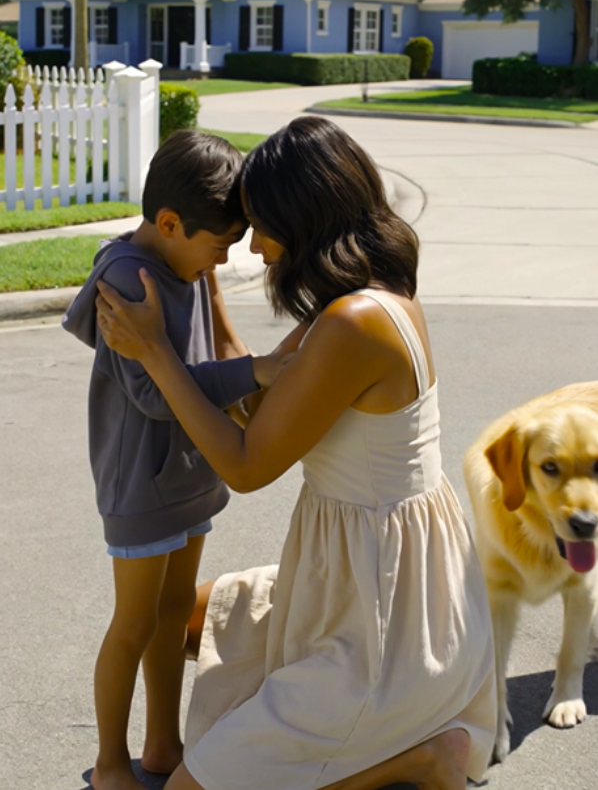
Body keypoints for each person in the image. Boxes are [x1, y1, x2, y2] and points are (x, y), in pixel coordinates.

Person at [95, 116, 497, 790]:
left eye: (259, 226)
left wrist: (155, 353)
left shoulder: (354, 324)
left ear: (299, 219)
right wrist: (205, 287)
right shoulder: (360, 297)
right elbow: (258, 400)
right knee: (184, 620)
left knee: (193, 787)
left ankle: (417, 757)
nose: (253, 247)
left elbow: (246, 465)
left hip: (381, 611)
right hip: (371, 567)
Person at [62, 130, 292, 790]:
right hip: (141, 486)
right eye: (219, 245)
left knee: (171, 614)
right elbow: (156, 393)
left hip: (186, 476)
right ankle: (111, 763)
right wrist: (257, 371)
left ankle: (163, 744)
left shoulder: (185, 265)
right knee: (134, 623)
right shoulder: (128, 280)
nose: (225, 257)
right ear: (169, 223)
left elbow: (199, 350)